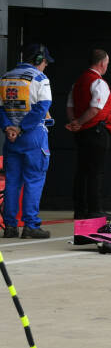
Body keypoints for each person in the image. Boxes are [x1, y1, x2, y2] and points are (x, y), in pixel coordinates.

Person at [0, 43, 55, 238]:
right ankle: (31, 226)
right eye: (45, 61)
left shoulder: (5, 77)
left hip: (11, 138)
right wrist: (21, 128)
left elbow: (0, 108)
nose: (46, 66)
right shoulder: (41, 79)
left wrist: (9, 127)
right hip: (33, 136)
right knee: (34, 180)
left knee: (12, 182)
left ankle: (10, 226)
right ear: (39, 60)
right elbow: (42, 108)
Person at [66, 49, 111, 220]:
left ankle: (80, 209)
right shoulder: (98, 83)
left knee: (82, 171)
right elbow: (96, 108)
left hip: (81, 133)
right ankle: (95, 209)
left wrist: (75, 122)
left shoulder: (78, 82)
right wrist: (80, 122)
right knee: (96, 172)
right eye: (107, 63)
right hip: (96, 131)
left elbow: (70, 106)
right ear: (102, 63)